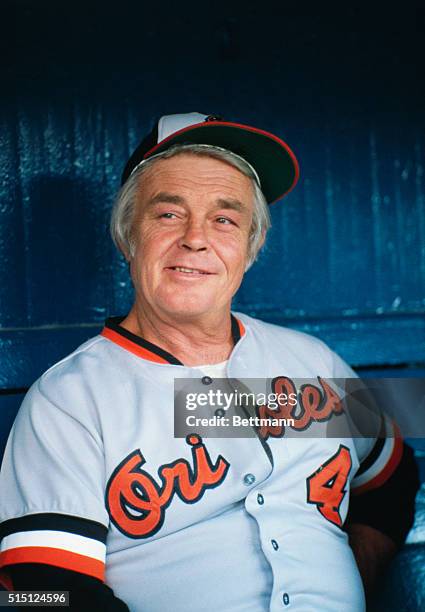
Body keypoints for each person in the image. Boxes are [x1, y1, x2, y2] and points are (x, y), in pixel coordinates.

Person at [0, 113, 419, 611]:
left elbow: (393, 476)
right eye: (168, 214)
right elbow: (40, 593)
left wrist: (360, 572)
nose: (196, 238)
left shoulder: (311, 359)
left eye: (225, 219)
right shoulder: (67, 400)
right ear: (126, 236)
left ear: (251, 246)